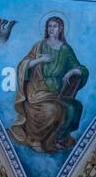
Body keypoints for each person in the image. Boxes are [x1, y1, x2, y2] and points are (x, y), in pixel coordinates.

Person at [10, 16, 88, 154]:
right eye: (49, 26)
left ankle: (59, 139)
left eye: (55, 26)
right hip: (38, 90)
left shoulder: (65, 49)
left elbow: (80, 68)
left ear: (60, 29)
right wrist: (40, 60)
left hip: (59, 91)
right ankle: (36, 140)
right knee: (54, 110)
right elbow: (23, 65)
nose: (51, 29)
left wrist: (72, 72)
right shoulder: (39, 46)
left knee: (75, 107)